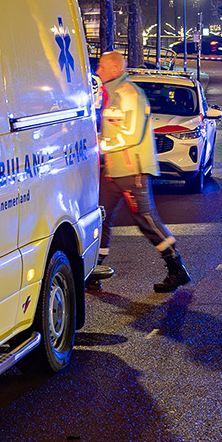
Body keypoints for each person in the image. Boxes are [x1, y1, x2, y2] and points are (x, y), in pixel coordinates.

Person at [91, 51, 191, 292]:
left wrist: (98, 146)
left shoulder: (129, 94)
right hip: (114, 169)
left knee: (145, 219)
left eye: (102, 67)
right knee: (101, 216)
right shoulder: (109, 93)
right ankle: (94, 269)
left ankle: (176, 268)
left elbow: (131, 134)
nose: (97, 71)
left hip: (132, 170)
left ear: (115, 69)